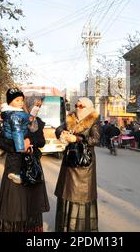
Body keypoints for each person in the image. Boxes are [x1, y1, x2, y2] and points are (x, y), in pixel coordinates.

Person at [0, 96, 50, 232]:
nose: (37, 109)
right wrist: (18, 146)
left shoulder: (38, 122)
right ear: (27, 106)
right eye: (35, 105)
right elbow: (1, 142)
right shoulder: (12, 118)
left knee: (32, 203)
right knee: (14, 203)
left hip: (31, 165)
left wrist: (30, 142)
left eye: (39, 106)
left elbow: (41, 142)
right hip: (14, 166)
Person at [54, 97, 100, 232]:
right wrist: (61, 133)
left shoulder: (94, 120)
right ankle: (64, 227)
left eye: (81, 106)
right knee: (66, 193)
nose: (78, 108)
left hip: (84, 164)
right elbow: (58, 128)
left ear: (88, 107)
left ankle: (80, 229)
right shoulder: (70, 118)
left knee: (81, 196)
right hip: (69, 161)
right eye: (76, 105)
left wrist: (77, 138)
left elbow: (95, 139)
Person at [0, 88, 34, 185]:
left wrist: (30, 118)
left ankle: (14, 172)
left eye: (22, 100)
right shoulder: (15, 115)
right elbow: (17, 131)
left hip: (13, 140)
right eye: (17, 100)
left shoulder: (16, 113)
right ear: (10, 102)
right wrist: (21, 147)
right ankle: (14, 172)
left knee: (14, 157)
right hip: (15, 140)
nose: (21, 102)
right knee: (15, 157)